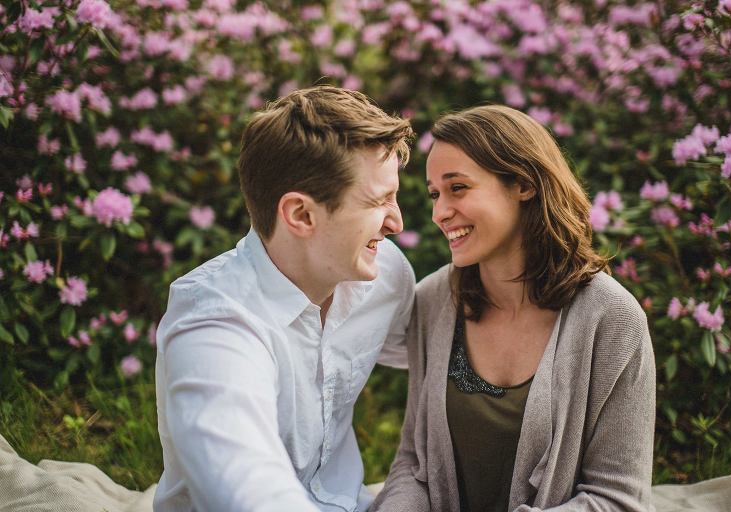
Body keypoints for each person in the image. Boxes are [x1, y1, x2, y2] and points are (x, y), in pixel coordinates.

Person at [372, 105, 655, 512]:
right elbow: (415, 464)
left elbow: (618, 499)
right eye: (435, 194)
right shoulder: (433, 301)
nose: (439, 213)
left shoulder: (612, 319)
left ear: (523, 184)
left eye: (458, 188)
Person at [153, 86, 415, 512]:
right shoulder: (215, 323)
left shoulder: (384, 273)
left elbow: (444, 350)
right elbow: (246, 487)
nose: (397, 222)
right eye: (378, 200)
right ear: (301, 215)